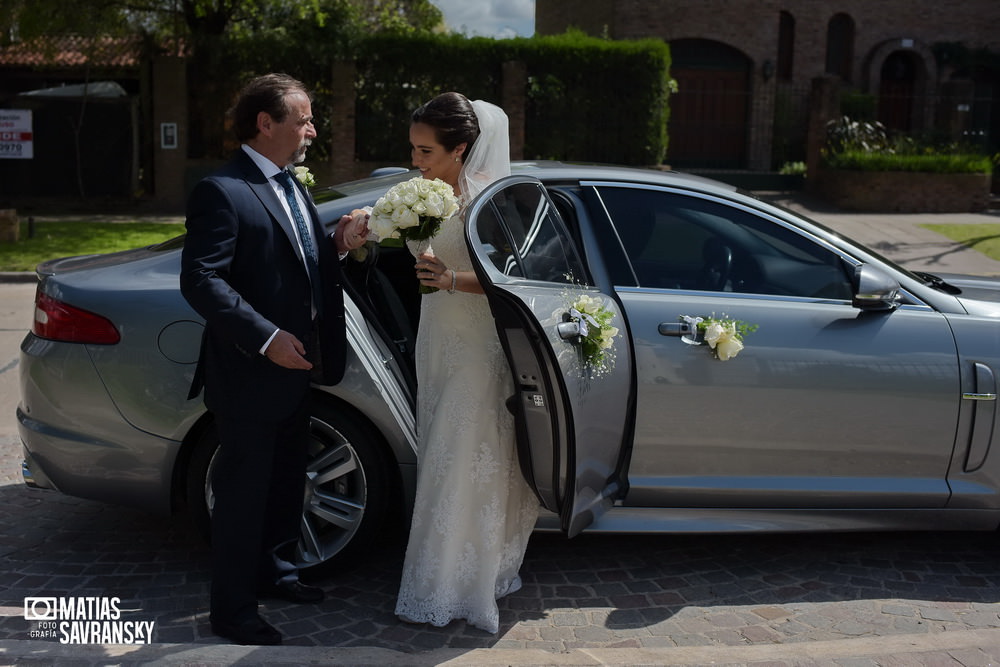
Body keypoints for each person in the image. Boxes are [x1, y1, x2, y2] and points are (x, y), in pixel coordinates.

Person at [180, 73, 370, 646]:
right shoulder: (223, 188)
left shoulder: (291, 184)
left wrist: (336, 246)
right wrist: (265, 338)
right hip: (250, 373)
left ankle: (278, 573)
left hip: (299, 370)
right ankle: (233, 612)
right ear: (266, 123)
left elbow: (294, 262)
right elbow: (201, 280)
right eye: (304, 118)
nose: (312, 129)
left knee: (288, 482)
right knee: (242, 497)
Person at [393, 92, 540, 634]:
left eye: (426, 150)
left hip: (478, 347)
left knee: (462, 454)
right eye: (412, 148)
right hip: (437, 338)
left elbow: (515, 282)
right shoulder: (424, 194)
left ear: (460, 149)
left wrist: (452, 279)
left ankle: (453, 584)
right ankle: (459, 568)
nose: (416, 160)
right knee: (440, 448)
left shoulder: (488, 204)